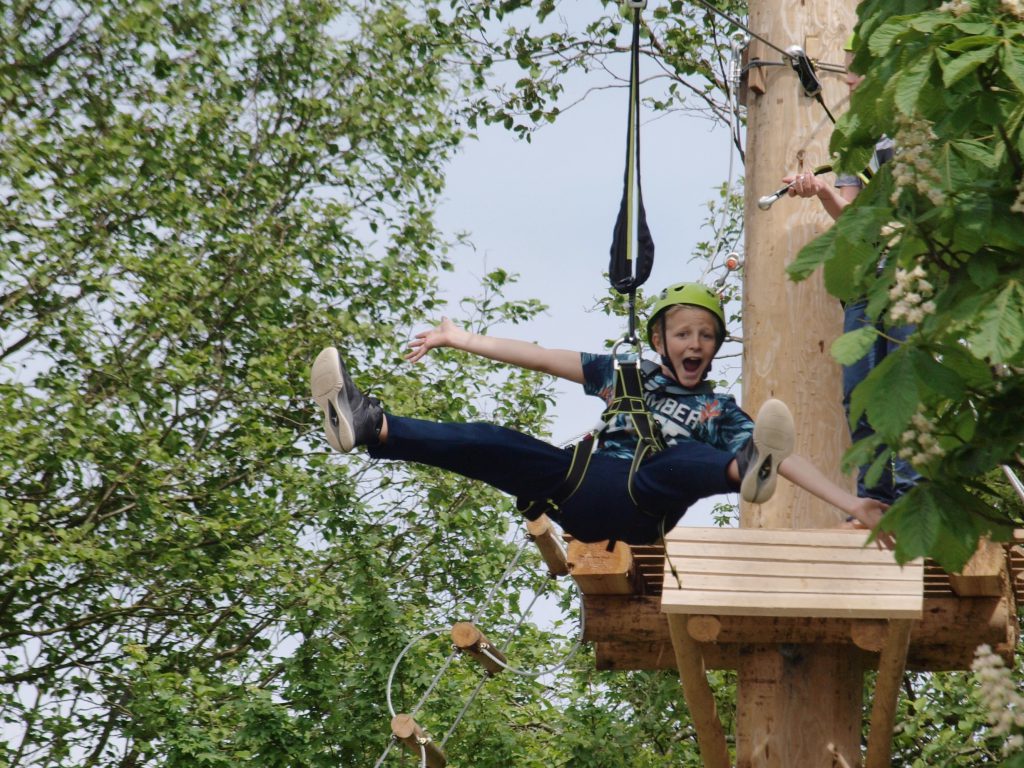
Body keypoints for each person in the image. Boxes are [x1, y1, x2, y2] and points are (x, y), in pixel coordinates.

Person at [310, 282, 892, 547]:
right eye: (684, 333)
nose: (696, 344)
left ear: (715, 347)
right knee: (497, 443)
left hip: (645, 508)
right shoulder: (624, 373)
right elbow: (542, 358)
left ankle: (744, 473)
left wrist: (853, 505)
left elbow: (791, 463)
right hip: (582, 490)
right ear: (661, 340)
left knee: (684, 459)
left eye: (707, 336)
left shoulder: (716, 408)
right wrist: (462, 339)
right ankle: (371, 425)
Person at [781, 35, 918, 506]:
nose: (851, 79)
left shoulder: (921, 130)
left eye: (860, 70)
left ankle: (913, 491)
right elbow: (853, 218)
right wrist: (820, 191)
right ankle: (874, 499)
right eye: (849, 72)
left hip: (912, 280)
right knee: (859, 389)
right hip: (866, 284)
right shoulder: (855, 141)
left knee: (907, 383)